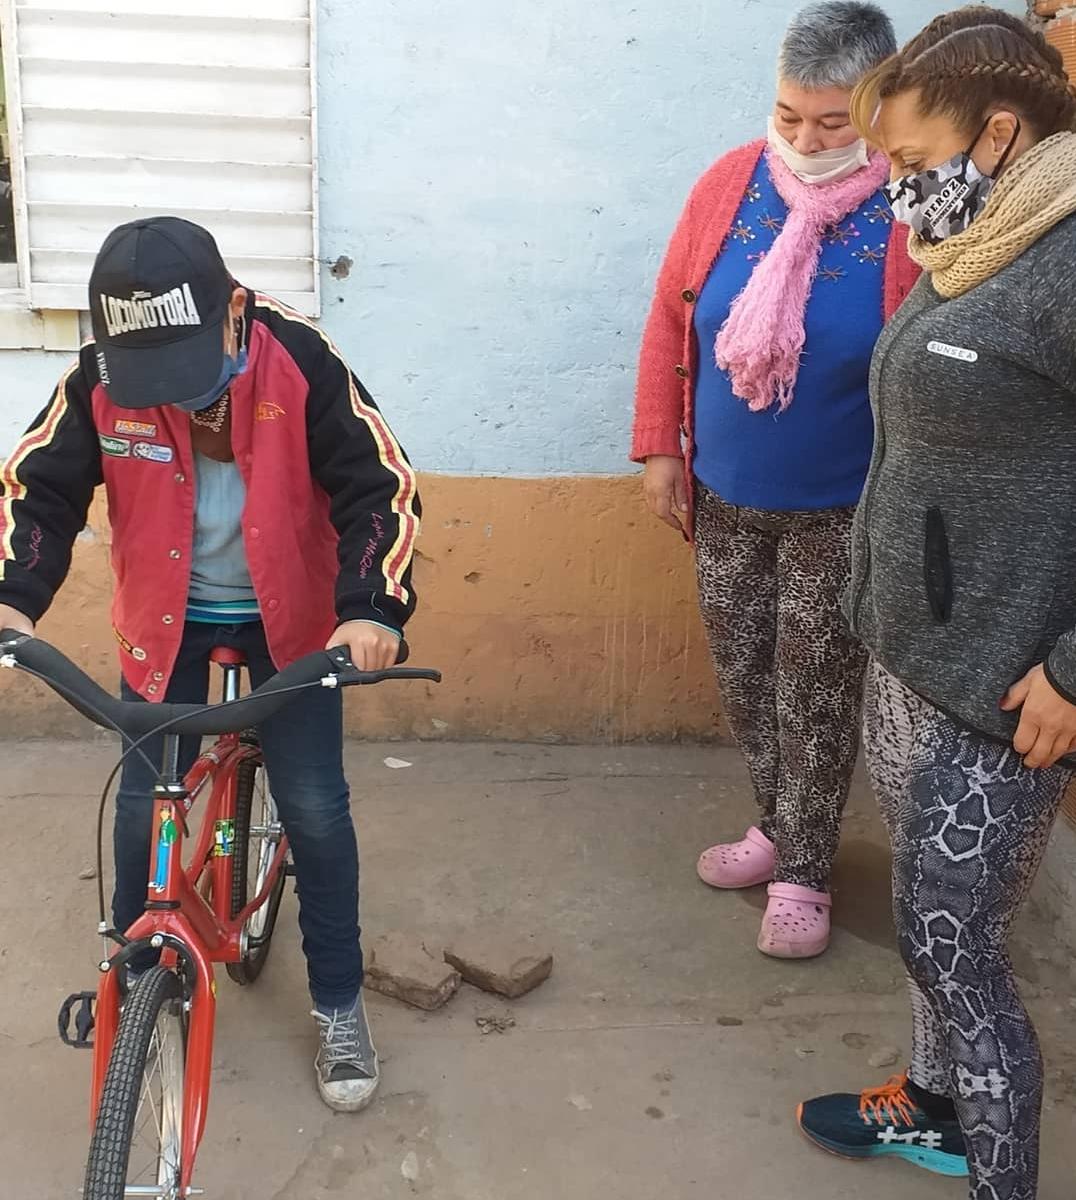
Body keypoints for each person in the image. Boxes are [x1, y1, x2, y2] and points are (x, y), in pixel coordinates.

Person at [0, 216, 420, 1113]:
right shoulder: (98, 379)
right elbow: (39, 490)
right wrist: (12, 597)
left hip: (293, 623)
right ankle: (137, 970)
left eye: (184, 370)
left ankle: (338, 1001)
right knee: (143, 802)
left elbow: (379, 485)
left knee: (315, 809)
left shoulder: (300, 360)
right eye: (149, 376)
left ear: (234, 311)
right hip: (165, 620)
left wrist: (370, 608)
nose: (171, 397)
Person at [795, 11, 1076, 1196]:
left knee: (954, 949)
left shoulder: (1063, 264)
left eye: (910, 159)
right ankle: (929, 1101)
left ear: (997, 134)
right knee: (924, 926)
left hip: (1005, 686)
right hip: (910, 651)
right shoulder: (976, 241)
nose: (893, 183)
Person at [631, 1, 917, 958]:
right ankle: (777, 821)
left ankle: (805, 869)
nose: (806, 139)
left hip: (845, 507)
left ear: (877, 108)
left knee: (817, 690)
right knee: (748, 678)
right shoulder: (730, 183)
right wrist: (661, 447)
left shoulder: (911, 205)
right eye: (790, 115)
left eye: (833, 123)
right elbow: (672, 317)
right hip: (725, 495)